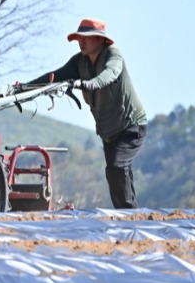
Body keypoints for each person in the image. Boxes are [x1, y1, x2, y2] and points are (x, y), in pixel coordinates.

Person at [26, 18, 147, 209]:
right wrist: (25, 88)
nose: (81, 42)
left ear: (100, 40)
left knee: (116, 167)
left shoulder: (113, 55)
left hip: (131, 126)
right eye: (79, 38)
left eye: (86, 38)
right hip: (109, 132)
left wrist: (88, 83)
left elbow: (109, 74)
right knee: (116, 173)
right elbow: (54, 76)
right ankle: (129, 215)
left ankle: (129, 216)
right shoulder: (80, 62)